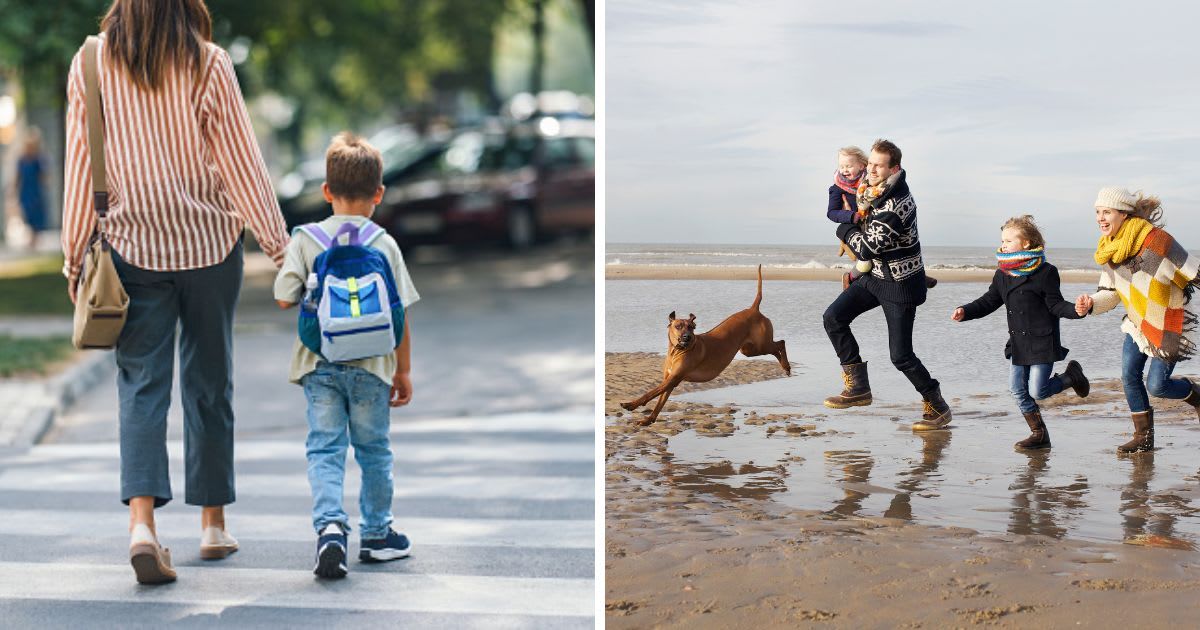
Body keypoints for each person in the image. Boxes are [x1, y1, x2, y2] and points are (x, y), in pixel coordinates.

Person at [60, 0, 290, 584]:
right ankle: (212, 525)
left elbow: (81, 166)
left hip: (130, 246)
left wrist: (73, 255)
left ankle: (142, 528)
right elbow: (241, 161)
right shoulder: (207, 62)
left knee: (141, 384)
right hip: (210, 244)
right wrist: (281, 249)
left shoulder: (89, 62)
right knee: (210, 378)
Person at [274, 133, 419, 579]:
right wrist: (404, 370)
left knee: (325, 448)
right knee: (374, 450)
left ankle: (331, 528)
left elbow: (283, 298)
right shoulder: (385, 243)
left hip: (319, 366)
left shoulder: (306, 238)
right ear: (379, 194)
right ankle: (377, 534)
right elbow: (400, 313)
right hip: (373, 368)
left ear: (325, 191)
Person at [821, 139, 951, 431]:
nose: (872, 170)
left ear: (895, 168)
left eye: (879, 165)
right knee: (833, 318)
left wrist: (843, 227)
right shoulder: (869, 191)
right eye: (871, 164)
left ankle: (937, 405)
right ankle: (858, 387)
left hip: (900, 286)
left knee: (901, 356)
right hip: (874, 278)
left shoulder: (897, 203)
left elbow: (866, 248)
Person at [1075, 188, 1200, 453]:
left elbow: (1193, 270)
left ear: (1123, 213)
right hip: (1137, 322)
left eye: (1106, 212)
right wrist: (1090, 305)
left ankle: (1197, 396)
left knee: (1158, 386)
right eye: (1097, 212)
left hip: (1168, 323)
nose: (1100, 218)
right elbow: (1110, 293)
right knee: (1129, 376)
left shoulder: (1156, 240)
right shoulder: (1109, 250)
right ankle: (1143, 437)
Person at [951, 215, 1090, 450]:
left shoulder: (1046, 272)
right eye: (1002, 240)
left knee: (1039, 390)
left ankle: (1071, 377)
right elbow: (989, 301)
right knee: (1017, 389)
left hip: (1042, 341)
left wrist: (1078, 311)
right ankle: (1039, 434)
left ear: (1025, 243)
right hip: (1018, 342)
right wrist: (966, 311)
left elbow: (1056, 305)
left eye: (1008, 240)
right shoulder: (1002, 275)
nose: (1003, 245)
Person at [827, 146, 873, 289]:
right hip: (853, 225)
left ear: (861, 165)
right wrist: (850, 215)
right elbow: (831, 212)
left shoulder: (870, 182)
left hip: (872, 223)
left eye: (849, 166)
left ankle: (916, 275)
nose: (844, 170)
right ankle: (850, 277)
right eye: (841, 166)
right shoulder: (837, 187)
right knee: (865, 264)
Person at [15, 129, 48, 250]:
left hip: (36, 191)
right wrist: (14, 190)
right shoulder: (21, 159)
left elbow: (44, 176)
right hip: (26, 190)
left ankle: (35, 239)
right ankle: (32, 237)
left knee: (37, 214)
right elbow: (18, 176)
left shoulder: (39, 159)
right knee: (27, 213)